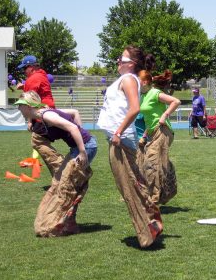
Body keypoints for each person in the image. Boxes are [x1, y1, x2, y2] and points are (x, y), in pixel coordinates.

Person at [97, 45, 162, 248]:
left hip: (121, 138)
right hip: (118, 137)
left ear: (131, 64)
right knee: (131, 184)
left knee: (131, 185)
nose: (117, 62)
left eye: (121, 59)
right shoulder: (125, 79)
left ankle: (148, 230)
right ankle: (151, 223)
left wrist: (117, 132)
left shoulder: (128, 79)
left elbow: (134, 109)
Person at [15, 91, 97, 237]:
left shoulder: (47, 115)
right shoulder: (42, 115)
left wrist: (82, 150)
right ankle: (68, 222)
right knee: (60, 181)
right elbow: (74, 112)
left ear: (28, 106)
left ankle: (65, 223)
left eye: (20, 106)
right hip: (78, 148)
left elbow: (72, 128)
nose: (18, 109)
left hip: (85, 148)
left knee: (67, 186)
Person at [138, 69, 180, 207]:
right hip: (152, 132)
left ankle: (153, 201)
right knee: (153, 164)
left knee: (151, 164)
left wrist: (165, 115)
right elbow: (149, 119)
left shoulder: (155, 93)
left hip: (163, 130)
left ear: (144, 82)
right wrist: (144, 135)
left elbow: (175, 101)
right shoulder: (143, 96)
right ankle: (168, 186)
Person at [16, 55, 64, 176]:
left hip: (42, 115)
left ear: (31, 67)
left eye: (24, 69)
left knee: (37, 141)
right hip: (46, 113)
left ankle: (62, 169)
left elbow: (30, 101)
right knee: (39, 142)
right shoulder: (39, 76)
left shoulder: (33, 79)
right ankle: (58, 175)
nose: (23, 71)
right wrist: (24, 87)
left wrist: (30, 121)